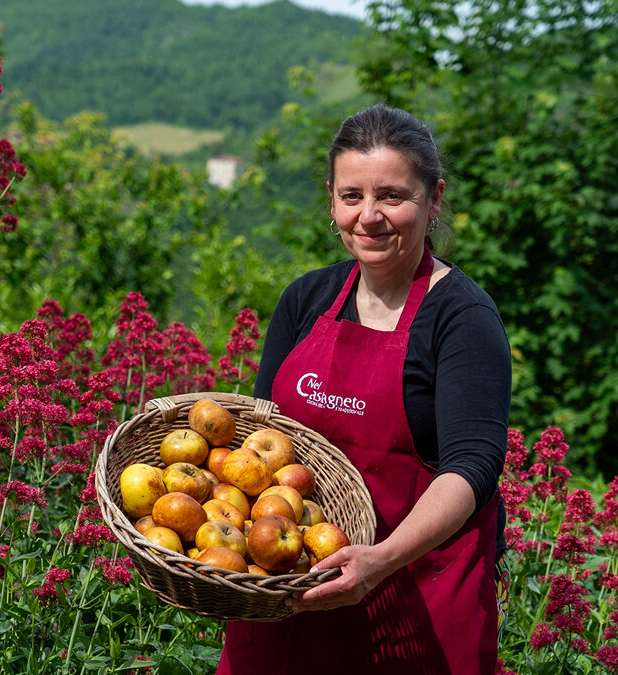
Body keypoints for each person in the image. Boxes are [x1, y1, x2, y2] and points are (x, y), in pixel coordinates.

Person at [217, 104, 512, 675]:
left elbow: (472, 466)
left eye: (392, 196)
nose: (369, 216)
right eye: (351, 195)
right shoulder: (305, 300)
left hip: (413, 603)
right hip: (290, 594)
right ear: (331, 200)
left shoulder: (462, 317)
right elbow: (259, 439)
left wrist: (380, 561)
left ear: (435, 198)